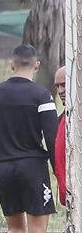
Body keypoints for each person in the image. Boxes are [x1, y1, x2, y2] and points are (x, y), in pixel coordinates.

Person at [0, 44, 59, 233]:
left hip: (3, 166)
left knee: (15, 227)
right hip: (32, 167)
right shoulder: (41, 95)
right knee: (38, 232)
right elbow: (52, 138)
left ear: (11, 64)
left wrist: (2, 157)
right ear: (36, 65)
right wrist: (58, 171)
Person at [53, 66, 69, 210]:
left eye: (64, 84)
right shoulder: (63, 118)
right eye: (57, 86)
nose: (60, 91)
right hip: (69, 194)